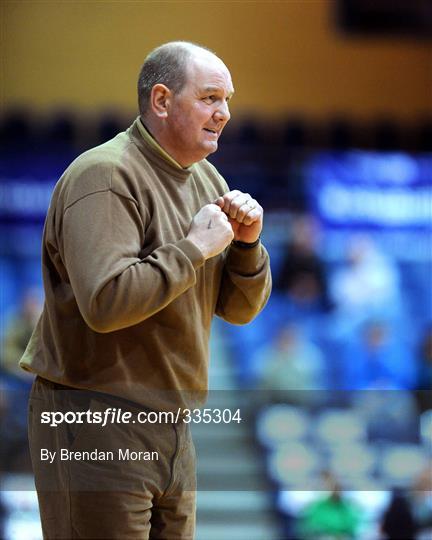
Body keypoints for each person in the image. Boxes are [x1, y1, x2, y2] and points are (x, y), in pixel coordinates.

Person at [20, 41, 271, 539]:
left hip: (173, 424)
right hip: (94, 415)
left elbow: (238, 312)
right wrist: (193, 248)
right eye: (210, 98)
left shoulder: (207, 179)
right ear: (161, 100)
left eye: (227, 101)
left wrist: (247, 247)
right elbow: (106, 303)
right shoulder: (104, 175)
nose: (224, 114)